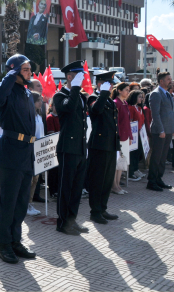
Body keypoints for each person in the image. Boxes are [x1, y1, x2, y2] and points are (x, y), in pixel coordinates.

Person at [0, 54, 37, 263]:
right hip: (10, 151)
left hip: (26, 151)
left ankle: (15, 241)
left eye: (29, 69)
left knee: (21, 202)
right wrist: (10, 76)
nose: (29, 73)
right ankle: (3, 245)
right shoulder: (6, 90)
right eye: (25, 69)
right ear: (15, 70)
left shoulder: (26, 92)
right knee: (8, 203)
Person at [53, 60, 90, 236]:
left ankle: (72, 220)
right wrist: (74, 88)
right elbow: (68, 108)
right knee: (66, 187)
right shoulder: (59, 96)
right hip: (68, 147)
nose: (82, 79)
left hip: (80, 147)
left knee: (76, 188)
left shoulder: (81, 96)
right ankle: (62, 223)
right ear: (69, 77)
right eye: (78, 76)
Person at [86, 71, 120, 225]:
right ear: (100, 84)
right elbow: (96, 110)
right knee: (98, 180)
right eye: (108, 84)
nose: (111, 86)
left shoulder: (110, 101)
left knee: (107, 179)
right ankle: (95, 211)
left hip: (110, 144)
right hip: (99, 145)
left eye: (111, 84)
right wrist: (104, 93)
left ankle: (103, 208)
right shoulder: (94, 98)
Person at [147, 72, 174, 192]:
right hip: (160, 131)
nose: (171, 81)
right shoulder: (156, 94)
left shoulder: (168, 94)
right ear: (161, 81)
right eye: (168, 79)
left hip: (168, 130)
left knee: (163, 157)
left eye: (171, 79)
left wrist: (173, 129)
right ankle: (151, 182)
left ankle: (159, 179)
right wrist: (161, 130)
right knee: (156, 157)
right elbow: (155, 114)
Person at [111, 83, 132, 194]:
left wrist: (130, 136)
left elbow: (127, 122)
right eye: (126, 90)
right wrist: (118, 136)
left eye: (129, 90)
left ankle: (118, 185)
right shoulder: (116, 103)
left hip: (125, 137)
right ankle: (114, 186)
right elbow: (117, 122)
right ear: (119, 90)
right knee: (116, 162)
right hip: (119, 137)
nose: (128, 92)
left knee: (121, 162)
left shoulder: (125, 103)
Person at [26, 92, 44, 216]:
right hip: (31, 148)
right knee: (29, 178)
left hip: (39, 149)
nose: (41, 102)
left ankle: (29, 202)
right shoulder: (29, 115)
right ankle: (25, 203)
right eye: (38, 100)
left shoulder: (39, 115)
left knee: (35, 178)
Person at [127, 90, 146, 181]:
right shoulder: (130, 107)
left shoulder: (139, 108)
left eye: (142, 97)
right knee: (132, 154)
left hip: (139, 134)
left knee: (137, 153)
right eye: (139, 97)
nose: (142, 99)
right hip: (133, 134)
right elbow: (130, 121)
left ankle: (135, 169)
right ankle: (130, 173)